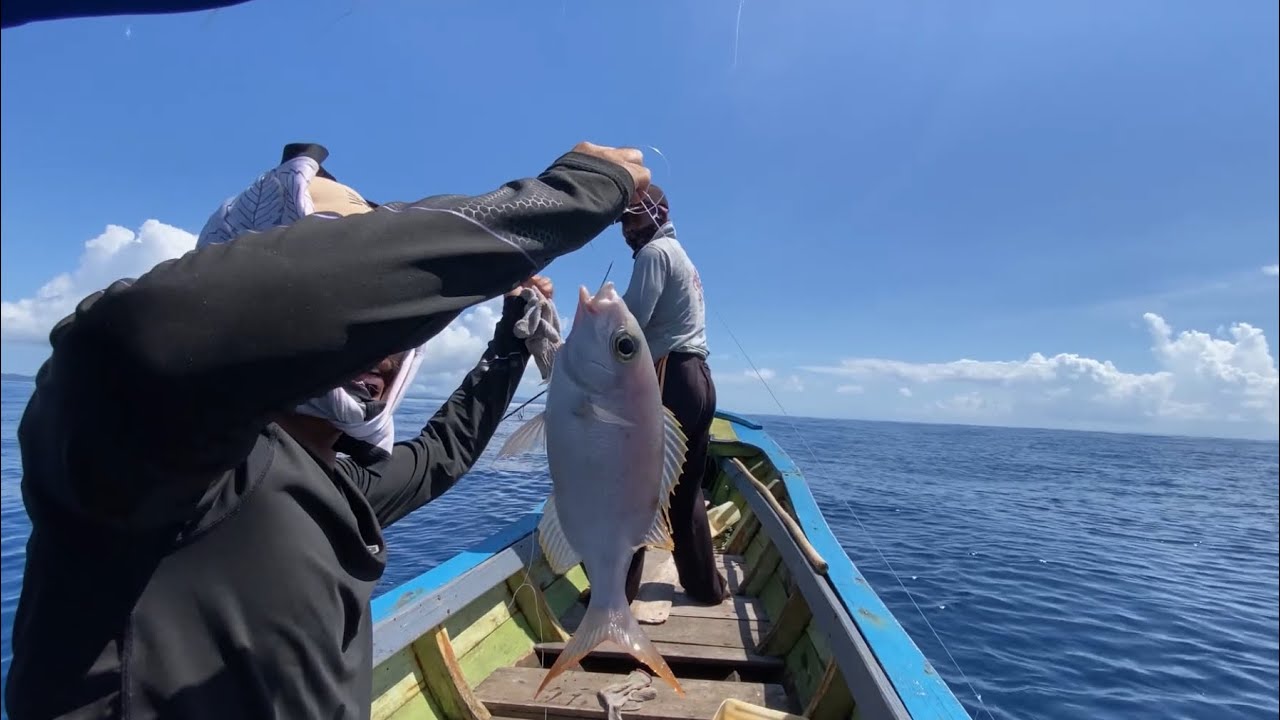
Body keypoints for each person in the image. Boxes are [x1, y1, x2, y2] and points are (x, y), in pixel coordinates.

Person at [5, 140, 649, 720]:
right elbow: (149, 334)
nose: (379, 341)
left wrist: (511, 340)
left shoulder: (334, 485)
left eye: (391, 325)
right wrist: (570, 196)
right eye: (359, 305)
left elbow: (440, 454)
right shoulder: (140, 451)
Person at [618, 184, 728, 606]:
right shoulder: (681, 256)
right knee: (686, 490)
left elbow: (631, 323)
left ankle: (617, 595)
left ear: (658, 213)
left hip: (668, 375)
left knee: (637, 487)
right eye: (623, 222)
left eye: (633, 218)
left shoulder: (653, 254)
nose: (627, 229)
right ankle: (705, 588)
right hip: (698, 378)